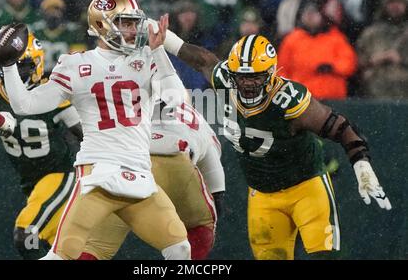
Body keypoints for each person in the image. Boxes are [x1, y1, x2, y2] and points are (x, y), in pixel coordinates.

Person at [157, 32, 391, 260]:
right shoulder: (225, 79)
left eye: (256, 76)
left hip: (306, 188)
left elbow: (340, 127)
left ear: (271, 73)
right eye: (242, 76)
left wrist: (362, 166)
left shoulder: (288, 100)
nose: (248, 83)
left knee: (324, 254)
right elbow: (199, 58)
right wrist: (159, 32)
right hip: (262, 194)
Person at [0, 0, 190, 260]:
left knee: (180, 249)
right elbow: (25, 106)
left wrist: (159, 51)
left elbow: (176, 100)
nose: (134, 30)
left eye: (135, 22)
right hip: (97, 175)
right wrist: (8, 67)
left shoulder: (147, 58)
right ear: (102, 24)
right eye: (125, 23)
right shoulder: (76, 64)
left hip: (139, 175)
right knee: (61, 255)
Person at [0, 32, 82, 259]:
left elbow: (86, 133)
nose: (11, 73)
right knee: (64, 251)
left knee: (27, 235)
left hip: (60, 176)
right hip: (32, 185)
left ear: (37, 64)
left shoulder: (51, 92)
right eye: (7, 65)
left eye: (20, 66)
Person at [79, 100, 225, 260]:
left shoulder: (114, 103)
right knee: (200, 228)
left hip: (121, 166)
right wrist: (217, 197)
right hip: (174, 160)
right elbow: (214, 175)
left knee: (94, 248)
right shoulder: (199, 122)